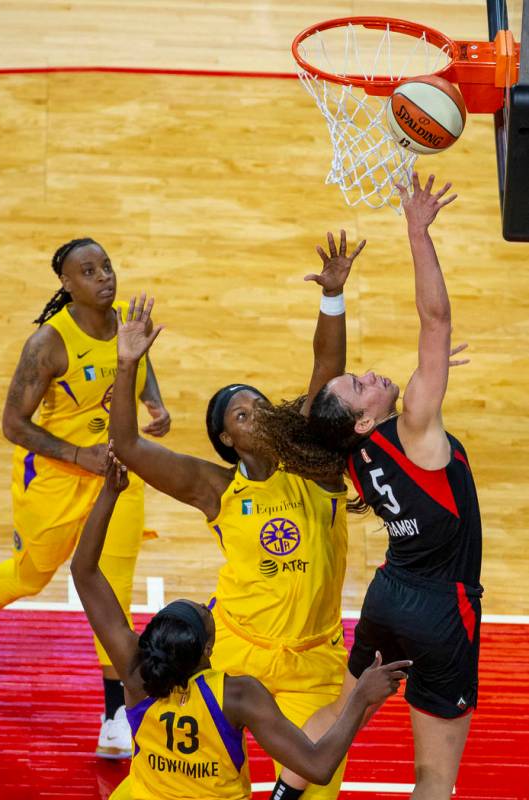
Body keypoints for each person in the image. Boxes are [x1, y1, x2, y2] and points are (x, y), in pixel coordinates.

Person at [108, 231, 366, 800]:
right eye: (243, 413)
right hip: (232, 649)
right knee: (208, 778)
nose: (259, 413)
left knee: (319, 785)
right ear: (227, 437)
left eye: (260, 403)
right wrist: (127, 364)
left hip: (312, 659)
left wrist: (332, 297)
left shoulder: (315, 465)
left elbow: (328, 365)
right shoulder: (215, 488)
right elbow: (126, 443)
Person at [256, 174, 481, 800]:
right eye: (359, 383)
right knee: (435, 779)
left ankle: (283, 794)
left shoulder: (347, 454)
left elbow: (332, 409)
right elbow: (435, 319)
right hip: (442, 610)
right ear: (361, 417)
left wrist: (426, 381)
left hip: (389, 600)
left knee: (343, 712)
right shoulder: (412, 426)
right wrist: (416, 228)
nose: (368, 373)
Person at [0, 237, 171, 758]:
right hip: (53, 477)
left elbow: (134, 362)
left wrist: (152, 402)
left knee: (112, 587)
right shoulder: (48, 344)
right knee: (33, 573)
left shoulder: (122, 321)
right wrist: (75, 453)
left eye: (107, 266)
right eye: (89, 271)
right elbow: (12, 425)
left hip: (114, 475)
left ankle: (115, 710)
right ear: (67, 284)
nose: (104, 277)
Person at [70, 450, 411, 800]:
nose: (207, 604)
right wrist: (360, 699)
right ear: (208, 650)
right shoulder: (236, 694)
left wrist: (109, 493)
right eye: (206, 610)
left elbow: (83, 572)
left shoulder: (136, 673)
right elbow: (318, 765)